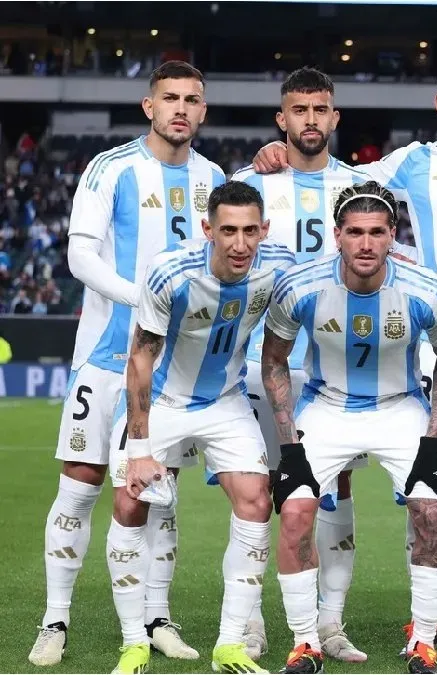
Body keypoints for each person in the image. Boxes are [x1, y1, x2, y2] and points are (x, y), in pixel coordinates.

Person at [252, 55, 437, 659]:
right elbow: (341, 177)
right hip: (434, 337)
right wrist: (279, 151)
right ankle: (420, 625)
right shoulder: (412, 160)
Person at [29, 60, 225, 668]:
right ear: (149, 106)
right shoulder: (110, 167)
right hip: (107, 358)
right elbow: (80, 255)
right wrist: (140, 297)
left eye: (192, 99)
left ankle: (157, 618)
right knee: (81, 484)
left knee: (160, 492)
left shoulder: (212, 176)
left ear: (203, 110)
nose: (181, 109)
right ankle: (54, 620)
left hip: (173, 369)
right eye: (170, 98)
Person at [261, 181, 437, 675]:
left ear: (393, 234)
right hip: (326, 406)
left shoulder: (425, 290)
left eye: (377, 232)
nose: (366, 244)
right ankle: (306, 642)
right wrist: (289, 446)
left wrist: (433, 442)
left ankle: (423, 640)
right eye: (355, 233)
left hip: (400, 408)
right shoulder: (301, 287)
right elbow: (273, 362)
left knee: (431, 510)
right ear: (337, 235)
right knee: (294, 511)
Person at [104, 182, 293, 674]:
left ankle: (230, 645)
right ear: (207, 230)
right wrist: (141, 448)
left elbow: (346, 265)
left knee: (256, 500)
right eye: (227, 230)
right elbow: (140, 361)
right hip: (164, 399)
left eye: (250, 230)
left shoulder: (279, 266)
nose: (239, 243)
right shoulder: (171, 273)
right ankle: (134, 644)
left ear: (264, 230)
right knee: (129, 501)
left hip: (225, 400)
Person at [232, 66, 374, 663]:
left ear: (334, 118)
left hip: (334, 369)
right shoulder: (249, 183)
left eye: (321, 109)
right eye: (299, 110)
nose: (310, 120)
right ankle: (249, 624)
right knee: (259, 497)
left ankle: (329, 622)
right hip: (261, 364)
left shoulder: (363, 186)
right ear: (281, 119)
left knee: (334, 493)